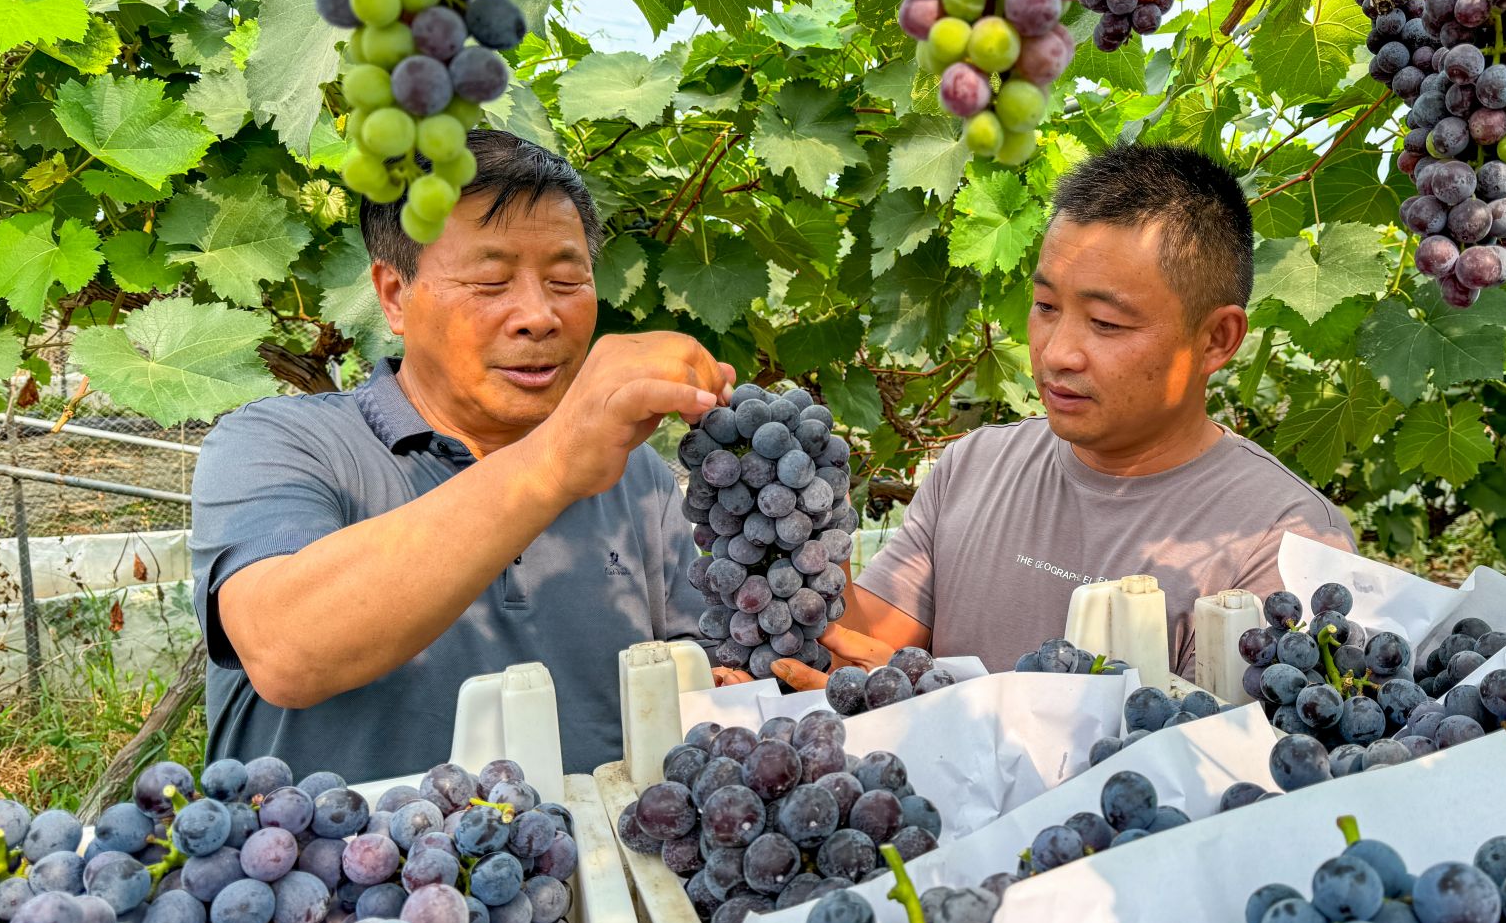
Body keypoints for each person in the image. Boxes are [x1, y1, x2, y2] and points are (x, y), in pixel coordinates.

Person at [189, 131, 731, 781]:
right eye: (490, 280)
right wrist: (552, 463)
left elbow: (693, 674)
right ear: (393, 295)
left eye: (566, 279)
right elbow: (287, 650)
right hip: (357, 878)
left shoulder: (637, 476)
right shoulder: (279, 444)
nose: (538, 315)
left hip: (598, 872)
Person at [785, 143, 1354, 684]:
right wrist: (805, 531)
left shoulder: (1286, 545)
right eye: (1046, 307)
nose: (1057, 352)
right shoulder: (972, 467)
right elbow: (857, 653)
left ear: (1215, 339)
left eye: (1106, 323)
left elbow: (1203, 765)